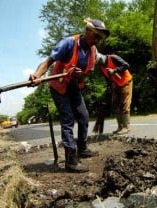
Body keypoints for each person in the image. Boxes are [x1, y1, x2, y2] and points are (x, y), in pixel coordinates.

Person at [29, 18, 110, 173]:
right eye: (96, 36)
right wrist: (37, 75)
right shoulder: (68, 43)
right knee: (68, 119)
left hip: (73, 86)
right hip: (58, 86)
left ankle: (82, 148)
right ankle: (71, 161)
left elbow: (85, 76)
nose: (97, 40)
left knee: (84, 116)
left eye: (100, 38)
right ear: (87, 32)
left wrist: (80, 76)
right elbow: (48, 62)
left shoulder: (93, 52)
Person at [99, 54, 133, 135]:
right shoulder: (101, 67)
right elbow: (108, 79)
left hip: (126, 82)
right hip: (116, 85)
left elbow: (126, 65)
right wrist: (109, 87)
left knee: (124, 104)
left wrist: (115, 70)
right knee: (115, 104)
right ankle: (120, 127)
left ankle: (126, 127)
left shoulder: (113, 58)